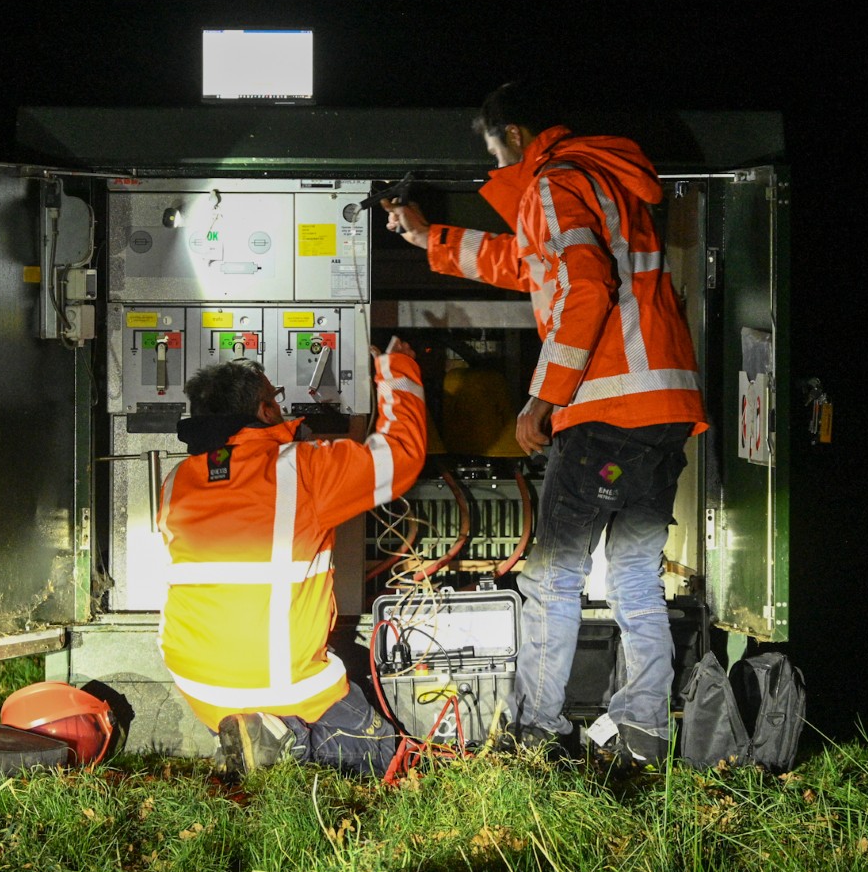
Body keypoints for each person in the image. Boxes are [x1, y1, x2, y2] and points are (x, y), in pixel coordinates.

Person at [381, 82, 706, 767]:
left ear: (516, 135)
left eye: (493, 147)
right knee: (635, 577)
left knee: (554, 577)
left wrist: (541, 399)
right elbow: (529, 265)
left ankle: (535, 732)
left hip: (606, 415)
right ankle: (644, 732)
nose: (493, 162)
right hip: (662, 413)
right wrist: (429, 237)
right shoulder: (605, 181)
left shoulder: (555, 182)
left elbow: (582, 288)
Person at [157, 338, 427, 776]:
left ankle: (258, 735)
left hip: (200, 684)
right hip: (278, 682)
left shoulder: (176, 479)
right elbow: (401, 457)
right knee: (383, 753)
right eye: (277, 399)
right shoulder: (301, 469)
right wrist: (397, 370)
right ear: (265, 411)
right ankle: (285, 741)